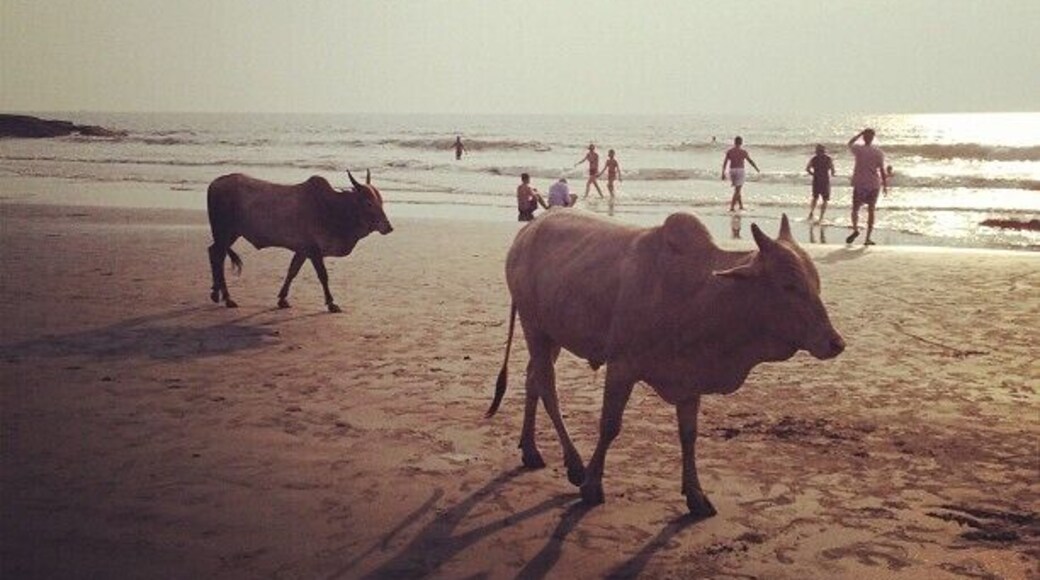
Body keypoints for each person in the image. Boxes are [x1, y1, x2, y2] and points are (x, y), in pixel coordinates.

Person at [846, 129, 888, 245]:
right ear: (873, 137)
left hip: (860, 183)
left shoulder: (859, 149)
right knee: (871, 210)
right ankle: (867, 238)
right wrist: (885, 185)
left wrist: (859, 134)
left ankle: (855, 230)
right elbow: (882, 171)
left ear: (864, 137)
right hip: (874, 184)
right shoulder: (878, 152)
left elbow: (850, 143)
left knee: (855, 209)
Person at [721, 136, 760, 212]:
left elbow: (725, 162)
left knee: (737, 189)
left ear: (734, 142)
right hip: (740, 170)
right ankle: (732, 207)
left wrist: (723, 172)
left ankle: (741, 206)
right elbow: (750, 161)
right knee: (738, 190)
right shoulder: (743, 152)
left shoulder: (730, 151)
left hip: (732, 170)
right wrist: (756, 168)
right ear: (741, 142)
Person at [806, 144, 836, 222]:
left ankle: (811, 212)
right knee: (825, 199)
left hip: (816, 180)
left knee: (815, 198)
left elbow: (807, 169)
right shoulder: (828, 159)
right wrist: (832, 174)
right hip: (825, 181)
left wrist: (813, 174)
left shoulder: (814, 159)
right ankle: (821, 217)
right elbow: (832, 170)